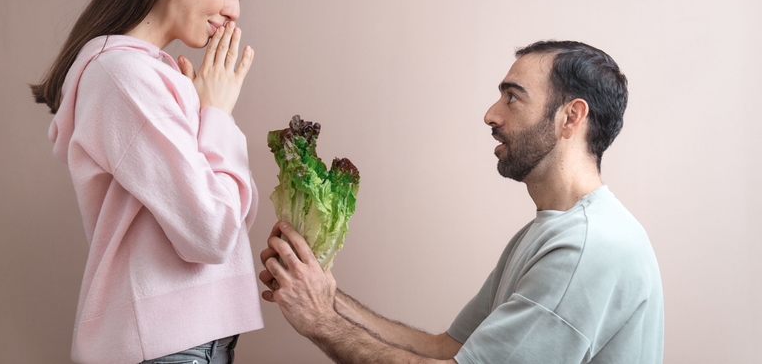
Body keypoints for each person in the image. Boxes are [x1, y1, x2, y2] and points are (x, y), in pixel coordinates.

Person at [259, 40, 664, 363]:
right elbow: (449, 348)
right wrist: (324, 294)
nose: (491, 114)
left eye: (513, 98)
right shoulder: (549, 231)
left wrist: (322, 322)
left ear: (571, 117)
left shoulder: (586, 249)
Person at [31, 0, 264, 364]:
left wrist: (204, 113)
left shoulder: (151, 77)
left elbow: (233, 216)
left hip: (185, 343)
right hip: (167, 347)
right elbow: (212, 232)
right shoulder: (123, 77)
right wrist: (216, 116)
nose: (234, 10)